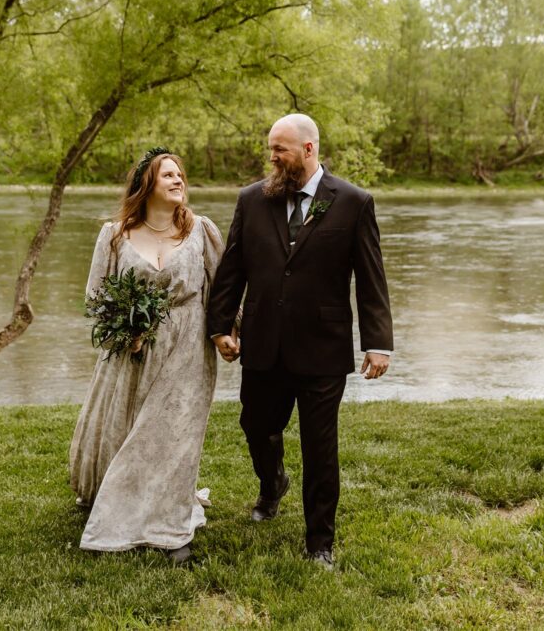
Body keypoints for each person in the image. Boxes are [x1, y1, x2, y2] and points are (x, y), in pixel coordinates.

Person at [206, 114, 394, 570]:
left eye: (280, 150)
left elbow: (371, 276)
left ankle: (319, 543)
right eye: (270, 148)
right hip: (263, 343)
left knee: (320, 445)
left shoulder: (352, 201)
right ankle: (272, 485)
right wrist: (221, 326)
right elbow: (232, 269)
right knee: (256, 426)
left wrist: (378, 342)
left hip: (323, 348)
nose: (272, 157)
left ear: (308, 150)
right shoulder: (253, 200)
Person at [69, 148, 225, 563]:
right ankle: (123, 502)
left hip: (188, 347)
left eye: (181, 175)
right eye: (168, 175)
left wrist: (228, 333)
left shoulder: (201, 231)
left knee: (174, 434)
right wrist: (124, 333)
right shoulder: (115, 234)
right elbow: (96, 297)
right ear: (146, 185)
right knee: (130, 430)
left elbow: (223, 290)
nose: (179, 181)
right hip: (132, 352)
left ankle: (172, 532)